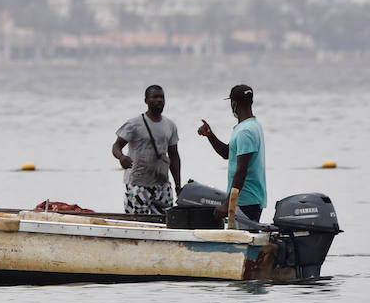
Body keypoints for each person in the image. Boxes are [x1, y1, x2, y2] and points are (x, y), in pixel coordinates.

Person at [198, 84, 266, 223]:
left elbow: (241, 170)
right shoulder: (253, 125)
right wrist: (210, 134)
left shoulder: (245, 132)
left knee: (242, 241)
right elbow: (227, 153)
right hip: (249, 198)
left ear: (233, 104)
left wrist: (227, 204)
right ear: (251, 102)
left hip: (245, 200)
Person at [111, 84, 182, 214]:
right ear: (146, 101)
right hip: (138, 184)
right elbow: (116, 146)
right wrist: (121, 157)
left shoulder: (170, 125)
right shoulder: (134, 124)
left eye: (162, 97)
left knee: (165, 222)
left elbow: (174, 156)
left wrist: (178, 186)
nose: (159, 100)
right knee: (137, 222)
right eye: (155, 97)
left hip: (162, 184)